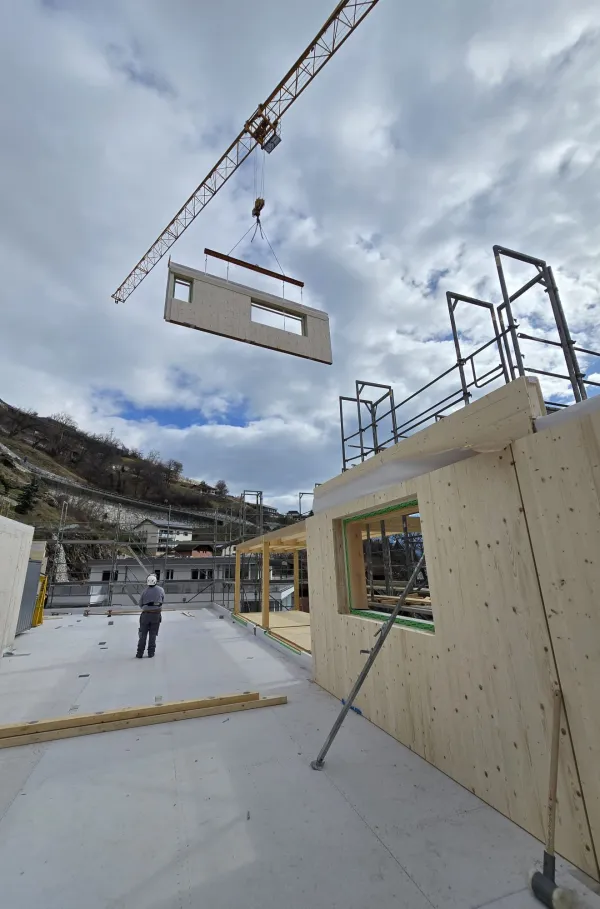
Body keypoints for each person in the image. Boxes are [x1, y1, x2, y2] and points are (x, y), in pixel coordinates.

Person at [136, 574, 165, 659]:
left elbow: (140, 604)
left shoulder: (144, 591)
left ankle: (140, 653)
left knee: (142, 634)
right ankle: (151, 653)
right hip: (156, 615)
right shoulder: (161, 590)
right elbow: (162, 601)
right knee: (153, 634)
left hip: (145, 615)